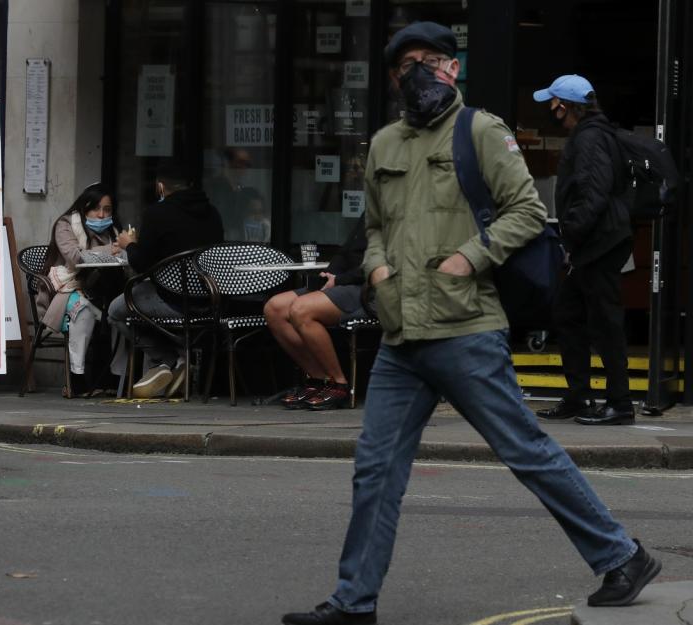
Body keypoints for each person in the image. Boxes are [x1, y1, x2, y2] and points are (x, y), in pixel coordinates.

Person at [281, 22, 660, 625]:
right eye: (408, 65)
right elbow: (375, 227)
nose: (421, 72)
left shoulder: (481, 131)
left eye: (432, 60)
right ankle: (355, 602)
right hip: (402, 337)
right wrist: (376, 271)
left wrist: (470, 257)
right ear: (394, 77)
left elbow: (528, 211)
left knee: (526, 451)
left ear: (454, 68)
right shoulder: (382, 145)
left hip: (466, 330)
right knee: (375, 471)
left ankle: (621, 556)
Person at [532, 75, 635, 426]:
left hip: (598, 243)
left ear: (565, 106)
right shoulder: (590, 134)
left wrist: (571, 236)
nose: (550, 109)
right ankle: (578, 397)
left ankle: (620, 404)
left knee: (605, 323)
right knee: (568, 315)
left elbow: (594, 192)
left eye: (553, 102)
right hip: (593, 242)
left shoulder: (590, 137)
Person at [108, 164, 224, 398]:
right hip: (209, 300)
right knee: (142, 305)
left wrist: (128, 244)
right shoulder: (213, 213)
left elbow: (141, 263)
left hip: (172, 300)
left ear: (161, 187)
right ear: (191, 185)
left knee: (116, 310)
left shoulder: (156, 214)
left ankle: (166, 359)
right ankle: (179, 359)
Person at [264, 219, 369, 410]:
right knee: (275, 308)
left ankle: (339, 384)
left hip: (368, 289)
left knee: (301, 309)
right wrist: (329, 275)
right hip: (343, 282)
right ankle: (318, 379)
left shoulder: (403, 209)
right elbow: (345, 251)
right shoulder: (371, 207)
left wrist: (340, 279)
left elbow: (381, 264)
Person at [36, 183, 124, 394]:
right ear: (85, 207)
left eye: (108, 210)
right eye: (97, 209)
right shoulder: (65, 225)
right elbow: (75, 258)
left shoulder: (113, 230)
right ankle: (77, 377)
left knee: (123, 312)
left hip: (103, 289)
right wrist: (112, 249)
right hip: (67, 289)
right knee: (82, 310)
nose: (103, 215)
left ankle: (115, 376)